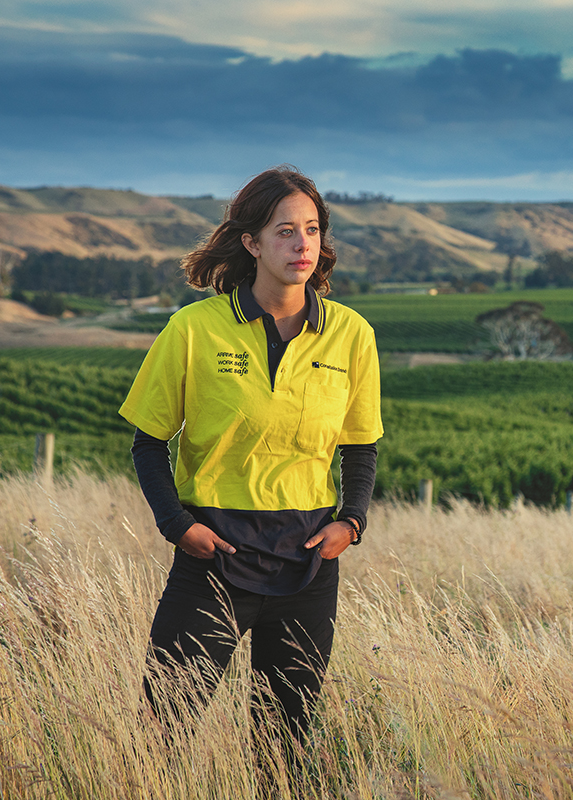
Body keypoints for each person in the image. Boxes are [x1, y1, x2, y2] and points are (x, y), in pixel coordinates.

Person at [119, 165, 383, 744]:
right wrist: (178, 526)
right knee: (163, 729)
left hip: (309, 558)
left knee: (285, 742)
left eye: (312, 230)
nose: (302, 244)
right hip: (214, 550)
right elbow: (148, 441)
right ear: (252, 243)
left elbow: (361, 446)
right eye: (284, 230)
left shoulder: (351, 334)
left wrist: (352, 523)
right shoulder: (194, 329)